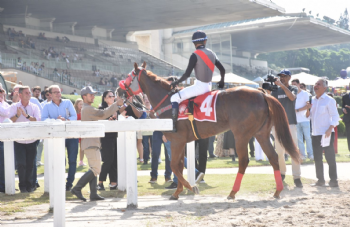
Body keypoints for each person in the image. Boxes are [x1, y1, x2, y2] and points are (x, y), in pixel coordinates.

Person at [71, 86, 128, 201]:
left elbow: (100, 117)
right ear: (84, 97)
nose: (93, 96)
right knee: (96, 169)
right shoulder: (87, 109)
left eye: (93, 94)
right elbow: (103, 114)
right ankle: (77, 188)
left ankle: (93, 194)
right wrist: (116, 104)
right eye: (90, 94)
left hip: (91, 142)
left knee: (94, 168)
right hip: (91, 142)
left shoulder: (88, 108)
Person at [169, 31, 225, 132]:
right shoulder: (212, 53)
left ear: (194, 43)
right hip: (209, 87)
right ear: (205, 41)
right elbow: (222, 70)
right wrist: (222, 82)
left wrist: (176, 82)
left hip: (199, 87)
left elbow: (186, 75)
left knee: (174, 97)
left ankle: (173, 126)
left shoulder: (194, 55)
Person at [41, 85, 78, 191]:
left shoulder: (68, 102)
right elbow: (43, 119)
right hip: (57, 137)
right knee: (60, 160)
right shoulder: (46, 106)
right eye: (55, 92)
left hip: (71, 135)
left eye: (59, 91)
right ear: (50, 94)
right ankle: (60, 182)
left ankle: (69, 183)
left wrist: (65, 120)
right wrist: (56, 121)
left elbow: (74, 116)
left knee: (72, 160)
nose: (58, 94)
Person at [271, 69, 302, 188]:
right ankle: (282, 173)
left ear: (289, 77)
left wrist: (282, 86)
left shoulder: (293, 88)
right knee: (279, 151)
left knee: (293, 150)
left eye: (284, 76)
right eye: (280, 76)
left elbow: (292, 98)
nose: (281, 78)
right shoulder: (276, 90)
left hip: (290, 123)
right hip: (278, 124)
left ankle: (297, 176)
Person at [307, 78, 340, 187]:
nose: (315, 86)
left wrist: (330, 128)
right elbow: (309, 117)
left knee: (330, 158)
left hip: (326, 133)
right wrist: (307, 109)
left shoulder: (329, 100)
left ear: (325, 88)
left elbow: (335, 117)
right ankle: (320, 180)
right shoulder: (312, 99)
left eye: (318, 84)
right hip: (315, 133)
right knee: (317, 158)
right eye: (315, 84)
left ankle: (333, 181)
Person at [9, 86, 41, 193]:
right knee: (21, 164)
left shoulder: (35, 107)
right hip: (19, 140)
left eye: (29, 92)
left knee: (31, 164)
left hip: (32, 140)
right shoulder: (14, 107)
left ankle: (30, 185)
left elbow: (37, 120)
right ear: (20, 95)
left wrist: (26, 116)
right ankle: (22, 186)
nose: (29, 94)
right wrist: (17, 115)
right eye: (26, 93)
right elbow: (9, 121)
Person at [96, 90, 119, 191]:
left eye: (113, 96)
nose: (112, 98)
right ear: (104, 98)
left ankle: (113, 183)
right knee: (108, 160)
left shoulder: (117, 109)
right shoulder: (101, 108)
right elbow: (100, 120)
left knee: (114, 160)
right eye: (109, 96)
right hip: (105, 138)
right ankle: (100, 182)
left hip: (115, 136)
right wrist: (108, 120)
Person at [291, 79, 314, 161]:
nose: (293, 86)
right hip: (296, 120)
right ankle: (302, 155)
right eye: (292, 84)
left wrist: (297, 110)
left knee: (308, 137)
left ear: (299, 84)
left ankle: (310, 154)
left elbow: (308, 106)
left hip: (305, 119)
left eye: (295, 84)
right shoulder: (292, 94)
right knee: (299, 139)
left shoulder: (305, 93)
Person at [0, 87, 11, 193]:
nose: (2, 93)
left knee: (5, 162)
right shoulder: (6, 105)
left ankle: (5, 184)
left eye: (2, 91)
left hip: (5, 136)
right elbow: (4, 112)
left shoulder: (5, 104)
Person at [74, 98, 86, 166]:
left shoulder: (84, 112)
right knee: (75, 148)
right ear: (76, 105)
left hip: (82, 132)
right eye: (80, 104)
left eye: (82, 104)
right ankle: (74, 161)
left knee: (82, 147)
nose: (81, 105)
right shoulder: (74, 112)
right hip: (76, 132)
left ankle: (81, 161)